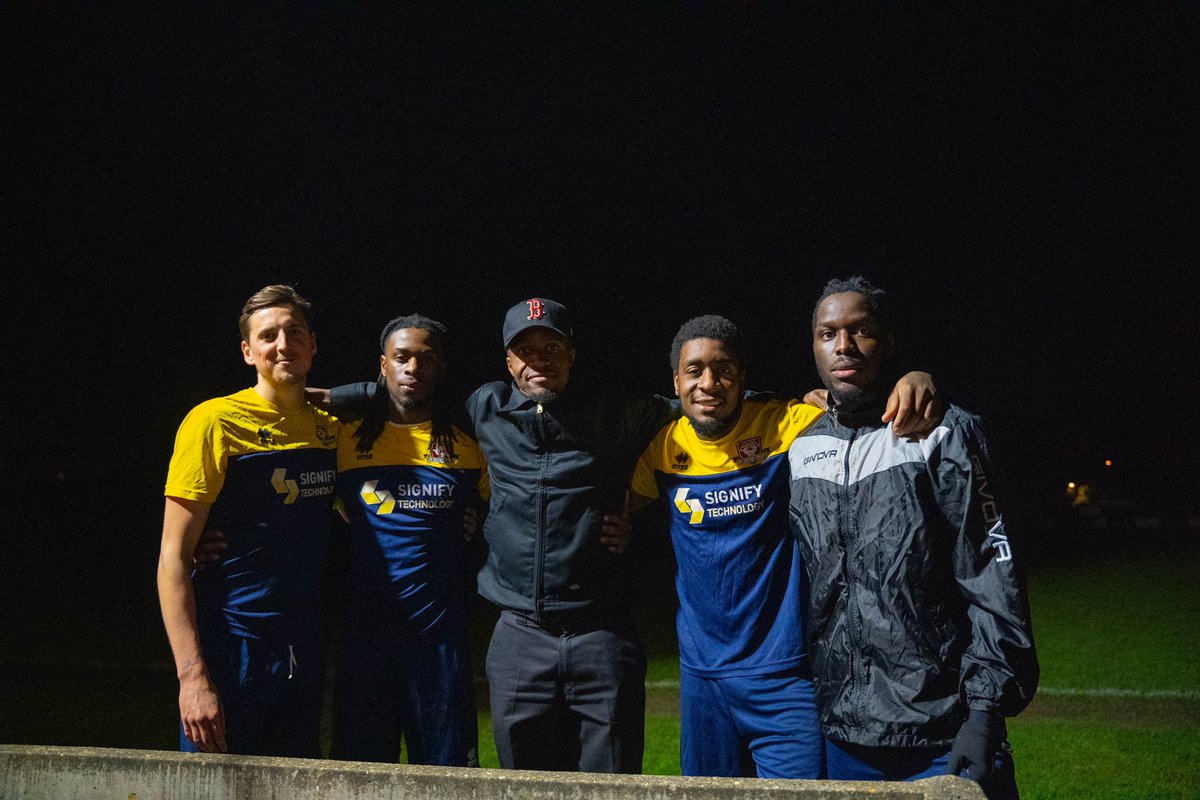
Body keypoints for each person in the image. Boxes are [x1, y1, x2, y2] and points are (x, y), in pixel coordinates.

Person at [331, 297, 663, 773]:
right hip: (511, 635)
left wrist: (636, 514)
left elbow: (698, 408)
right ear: (508, 361)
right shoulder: (482, 410)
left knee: (609, 781)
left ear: (572, 353)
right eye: (525, 350)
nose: (539, 358)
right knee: (517, 782)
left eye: (552, 345)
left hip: (599, 629)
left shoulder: (614, 411)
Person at [629, 315, 941, 778]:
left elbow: (860, 404)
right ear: (676, 381)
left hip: (784, 677)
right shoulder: (660, 448)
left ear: (743, 376)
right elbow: (617, 504)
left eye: (724, 370)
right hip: (702, 680)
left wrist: (918, 380)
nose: (708, 383)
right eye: (694, 371)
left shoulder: (787, 424)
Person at [787, 277, 1038, 798]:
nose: (843, 346)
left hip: (943, 732)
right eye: (827, 333)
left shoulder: (944, 432)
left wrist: (985, 712)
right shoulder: (801, 447)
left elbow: (993, 574)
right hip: (844, 735)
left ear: (890, 341)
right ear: (813, 346)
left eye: (861, 331)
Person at [157, 284, 339, 756]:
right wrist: (192, 677)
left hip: (303, 648)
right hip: (231, 644)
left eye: (294, 332)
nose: (283, 344)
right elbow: (173, 557)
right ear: (247, 351)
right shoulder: (213, 422)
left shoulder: (333, 429)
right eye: (269, 335)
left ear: (313, 344)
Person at [329, 314, 486, 767]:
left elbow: (508, 511)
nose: (413, 367)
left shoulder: (468, 445)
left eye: (426, 358)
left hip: (438, 644)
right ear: (383, 365)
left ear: (441, 368)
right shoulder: (344, 442)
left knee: (448, 775)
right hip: (365, 641)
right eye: (401, 357)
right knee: (359, 772)